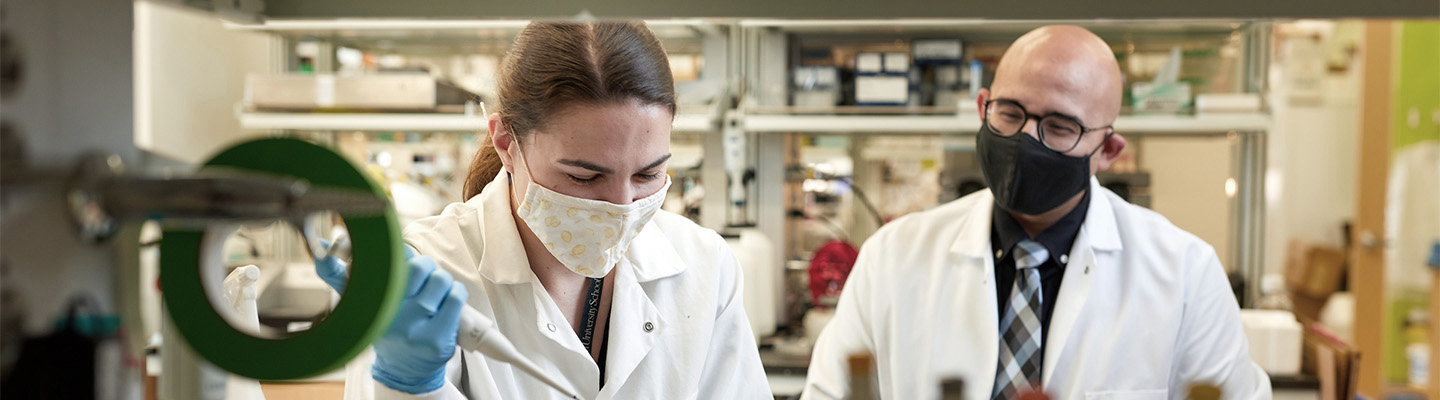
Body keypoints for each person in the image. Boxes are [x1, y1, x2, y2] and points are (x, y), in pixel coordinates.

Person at [801, 25, 1272, 400]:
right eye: (1009, 113)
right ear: (982, 107)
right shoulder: (893, 257)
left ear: (1108, 150)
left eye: (1059, 126)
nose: (1026, 141)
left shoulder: (1186, 274)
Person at [316, 21, 771, 399]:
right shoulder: (425, 279)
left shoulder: (703, 266)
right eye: (584, 177)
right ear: (505, 143)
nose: (621, 207)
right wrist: (411, 387)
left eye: (648, 175)